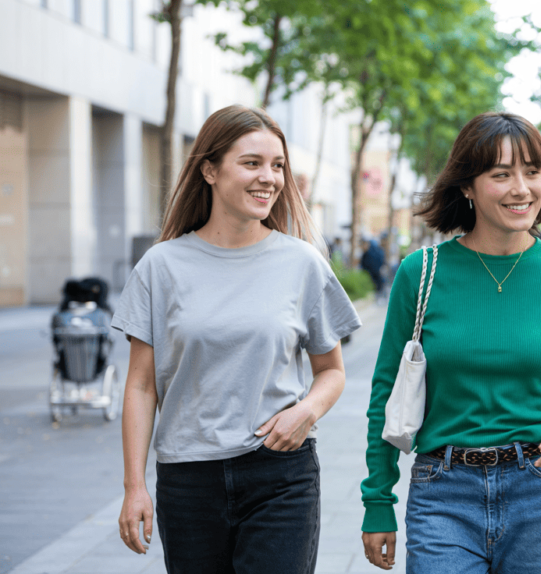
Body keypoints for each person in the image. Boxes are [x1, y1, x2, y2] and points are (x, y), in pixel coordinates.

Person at [113, 105, 362, 573]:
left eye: (278, 166)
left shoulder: (302, 264)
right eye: (252, 163)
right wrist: (134, 486)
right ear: (209, 169)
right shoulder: (160, 266)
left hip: (280, 473)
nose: (269, 178)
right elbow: (141, 386)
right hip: (188, 481)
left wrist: (304, 413)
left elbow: (331, 372)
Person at [360, 111, 541, 573]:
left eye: (533, 172)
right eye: (501, 174)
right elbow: (385, 393)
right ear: (467, 187)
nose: (522, 188)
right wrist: (377, 500)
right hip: (443, 492)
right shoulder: (421, 273)